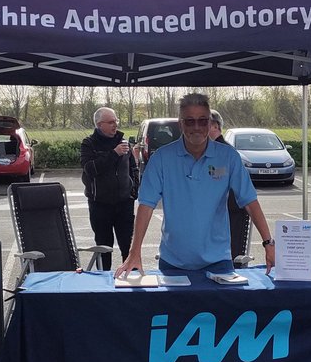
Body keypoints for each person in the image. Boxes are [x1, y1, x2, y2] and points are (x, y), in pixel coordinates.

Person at [115, 92, 276, 277]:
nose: (197, 127)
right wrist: (134, 252)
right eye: (190, 121)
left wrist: (268, 243)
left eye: (202, 121)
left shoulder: (228, 157)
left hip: (219, 262)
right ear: (180, 124)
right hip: (173, 263)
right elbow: (146, 206)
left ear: (210, 123)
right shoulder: (161, 158)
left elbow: (250, 201)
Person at [80, 107, 139, 270]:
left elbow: (133, 168)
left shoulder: (123, 142)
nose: (115, 125)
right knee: (104, 247)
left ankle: (131, 278)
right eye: (111, 122)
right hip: (100, 204)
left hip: (124, 203)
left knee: (128, 246)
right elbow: (90, 169)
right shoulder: (89, 144)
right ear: (100, 125)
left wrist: (133, 191)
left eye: (116, 121)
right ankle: (104, 280)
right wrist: (114, 154)